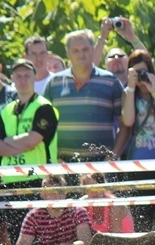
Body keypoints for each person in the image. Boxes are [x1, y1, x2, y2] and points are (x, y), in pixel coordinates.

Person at [0, 58, 60, 245]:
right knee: (17, 239)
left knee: (42, 237)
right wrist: (17, 143)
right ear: (12, 79)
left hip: (38, 181)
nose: (22, 80)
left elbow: (32, 141)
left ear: (34, 77)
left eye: (27, 76)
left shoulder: (44, 107)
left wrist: (8, 143)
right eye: (18, 76)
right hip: (11, 182)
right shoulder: (6, 111)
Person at [44, 29, 125, 161]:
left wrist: (111, 159)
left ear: (93, 50)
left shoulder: (110, 82)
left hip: (101, 168)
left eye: (85, 49)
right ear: (68, 53)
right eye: (75, 50)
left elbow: (125, 126)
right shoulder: (53, 83)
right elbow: (44, 126)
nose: (81, 54)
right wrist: (54, 158)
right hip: (63, 168)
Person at [121, 49, 155, 231]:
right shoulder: (129, 93)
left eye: (143, 71)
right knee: (141, 220)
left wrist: (154, 92)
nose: (141, 76)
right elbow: (128, 121)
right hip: (138, 165)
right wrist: (130, 87)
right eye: (136, 72)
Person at [13, 174, 92, 245]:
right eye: (53, 192)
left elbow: (87, 244)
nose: (58, 196)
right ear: (43, 194)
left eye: (61, 191)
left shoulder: (77, 211)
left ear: (66, 192)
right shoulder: (34, 216)